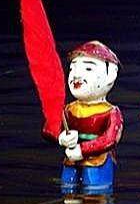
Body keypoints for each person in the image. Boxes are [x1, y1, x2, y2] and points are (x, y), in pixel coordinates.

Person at [43, 40, 123, 193]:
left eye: (87, 68)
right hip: (71, 160)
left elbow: (110, 139)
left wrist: (83, 150)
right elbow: (48, 128)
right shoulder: (68, 109)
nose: (77, 75)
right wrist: (60, 138)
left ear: (111, 74)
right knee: (67, 192)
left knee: (96, 194)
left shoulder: (111, 112)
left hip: (97, 163)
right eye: (73, 69)